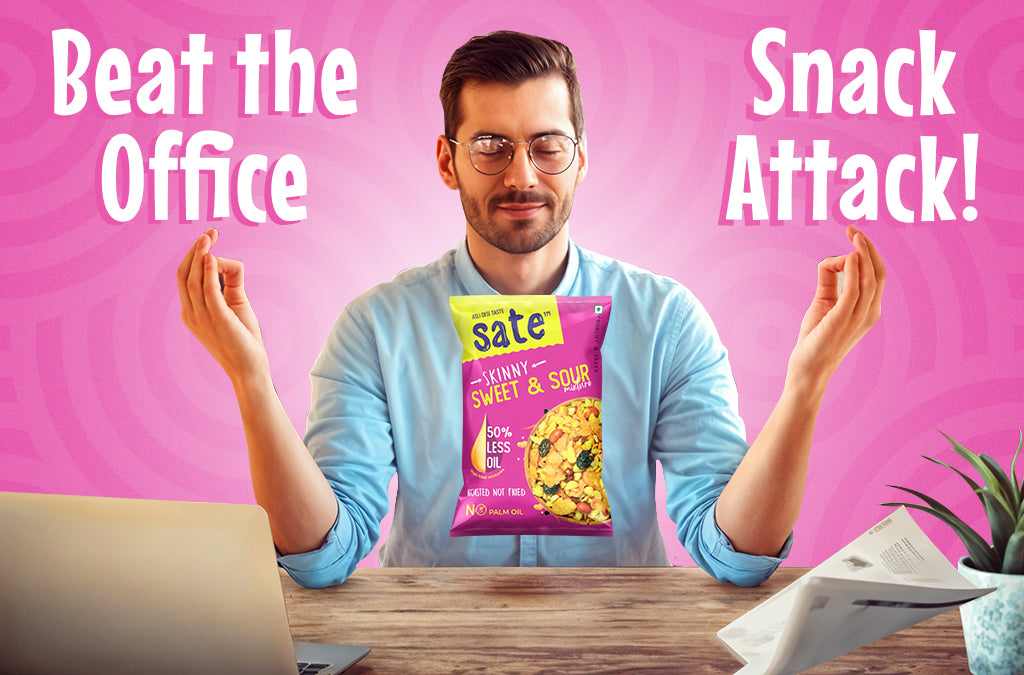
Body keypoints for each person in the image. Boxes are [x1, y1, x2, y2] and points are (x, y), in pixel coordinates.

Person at [178, 30, 884, 588]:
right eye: (491, 146)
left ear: (580, 159)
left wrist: (805, 383)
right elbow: (322, 557)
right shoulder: (376, 328)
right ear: (448, 161)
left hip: (622, 650)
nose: (522, 174)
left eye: (547, 145)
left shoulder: (665, 319)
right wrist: (251, 383)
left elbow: (735, 555)